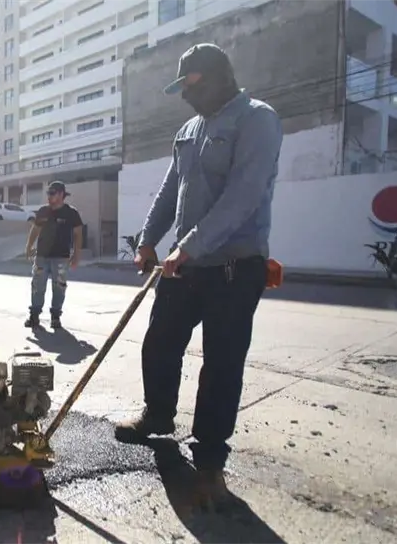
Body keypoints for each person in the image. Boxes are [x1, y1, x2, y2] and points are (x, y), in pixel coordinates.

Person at [113, 43, 283, 509]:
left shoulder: (257, 119)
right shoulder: (188, 128)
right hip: (182, 264)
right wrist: (149, 238)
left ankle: (209, 455)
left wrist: (189, 246)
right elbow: (173, 187)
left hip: (233, 266)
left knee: (222, 362)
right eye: (182, 89)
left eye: (192, 86)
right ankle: (158, 415)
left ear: (220, 76)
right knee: (159, 342)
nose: (186, 97)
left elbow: (244, 196)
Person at [24, 181, 83, 329]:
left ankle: (55, 317)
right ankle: (34, 316)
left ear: (61, 194)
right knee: (37, 286)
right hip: (42, 256)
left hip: (61, 258)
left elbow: (78, 235)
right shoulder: (43, 211)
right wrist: (29, 246)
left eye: (52, 193)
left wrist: (76, 255)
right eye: (48, 193)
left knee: (59, 287)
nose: (49, 197)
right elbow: (35, 230)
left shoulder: (71, 213)